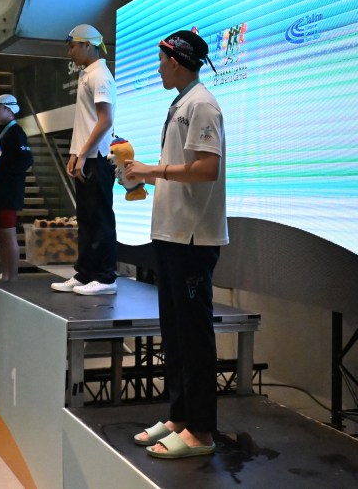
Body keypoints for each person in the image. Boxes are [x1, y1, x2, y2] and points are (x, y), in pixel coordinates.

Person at [124, 30, 227, 459]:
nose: (159, 67)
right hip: (170, 234)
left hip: (192, 238)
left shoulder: (202, 104)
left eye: (162, 60)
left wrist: (154, 170)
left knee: (194, 335)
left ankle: (201, 432)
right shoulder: (181, 102)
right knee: (175, 333)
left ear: (178, 61)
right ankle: (179, 418)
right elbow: (182, 169)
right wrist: (141, 177)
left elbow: (206, 169)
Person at [51, 24, 118, 296]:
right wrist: (74, 153)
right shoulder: (87, 74)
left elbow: (105, 120)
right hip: (86, 156)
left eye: (73, 46)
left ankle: (105, 277)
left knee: (99, 218)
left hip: (97, 157)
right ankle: (85, 274)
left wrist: (82, 153)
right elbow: (85, 121)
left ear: (87, 45)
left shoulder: (99, 75)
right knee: (86, 218)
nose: (70, 52)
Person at [0, 94, 33, 281]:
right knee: (1, 236)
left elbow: (26, 161)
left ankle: (12, 278)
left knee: (8, 235)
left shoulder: (16, 132)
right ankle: (5, 275)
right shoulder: (0, 132)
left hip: (8, 192)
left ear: (10, 110)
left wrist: (1, 174)